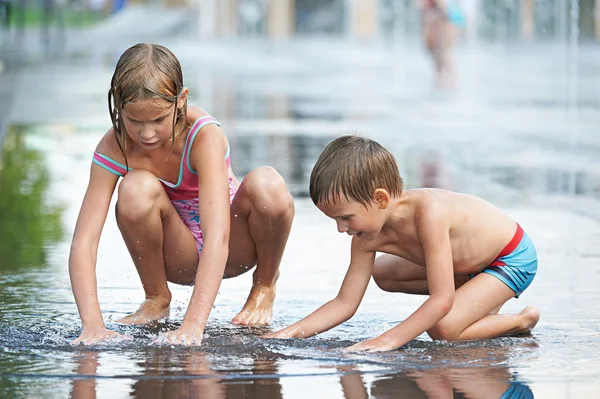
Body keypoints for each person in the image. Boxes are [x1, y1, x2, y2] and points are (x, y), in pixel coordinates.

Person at [69, 43, 294, 346]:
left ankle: (265, 284)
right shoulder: (114, 146)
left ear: (182, 100)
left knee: (268, 184)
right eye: (135, 122)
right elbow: (84, 241)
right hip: (180, 254)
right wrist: (92, 325)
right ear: (118, 107)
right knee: (134, 188)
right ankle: (156, 296)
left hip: (235, 245)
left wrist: (193, 325)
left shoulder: (202, 135)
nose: (147, 134)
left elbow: (218, 236)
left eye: (159, 120)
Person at [264, 135, 539, 352]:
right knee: (382, 273)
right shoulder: (365, 235)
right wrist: (288, 333)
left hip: (510, 256)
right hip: (468, 265)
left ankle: (520, 320)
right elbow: (345, 302)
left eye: (346, 218)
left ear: (381, 199)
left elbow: (441, 300)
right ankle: (478, 297)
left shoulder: (430, 214)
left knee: (443, 329)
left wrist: (389, 340)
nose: (340, 229)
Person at [417, 0, 465, 90]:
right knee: (437, 54)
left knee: (444, 53)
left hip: (448, 20)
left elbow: (445, 10)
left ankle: (452, 82)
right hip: (445, 20)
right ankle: (442, 82)